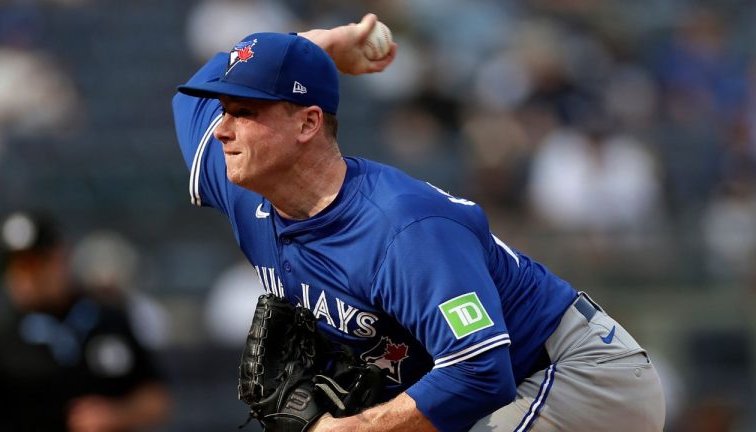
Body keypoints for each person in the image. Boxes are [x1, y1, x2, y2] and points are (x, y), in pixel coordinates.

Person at [171, 14, 665, 431]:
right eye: (224, 111)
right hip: (498, 389)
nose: (223, 130)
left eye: (244, 110)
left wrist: (349, 430)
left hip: (573, 375)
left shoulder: (402, 228)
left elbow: (479, 370)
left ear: (307, 124)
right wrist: (318, 48)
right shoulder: (245, 186)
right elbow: (187, 102)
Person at [0, 211, 170, 432]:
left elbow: (158, 400)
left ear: (60, 257)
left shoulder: (106, 319)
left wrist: (118, 414)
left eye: (33, 264)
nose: (24, 277)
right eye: (13, 266)